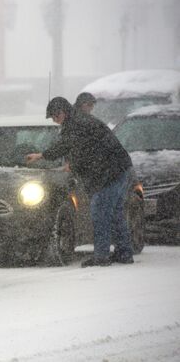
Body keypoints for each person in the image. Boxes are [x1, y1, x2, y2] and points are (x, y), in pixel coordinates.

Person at [26, 97, 134, 267]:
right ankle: (124, 252)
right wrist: (42, 155)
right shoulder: (77, 121)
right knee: (115, 214)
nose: (55, 121)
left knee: (101, 213)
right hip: (120, 167)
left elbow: (80, 149)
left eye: (55, 117)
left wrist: (72, 164)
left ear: (62, 112)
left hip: (110, 172)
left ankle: (101, 257)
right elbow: (71, 146)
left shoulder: (77, 124)